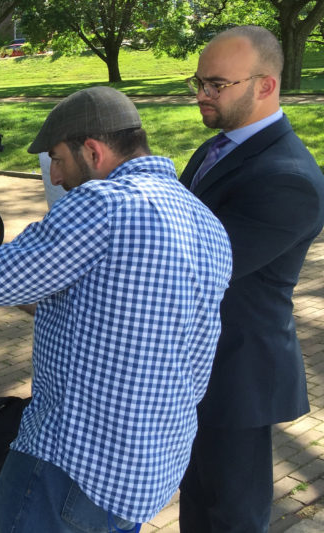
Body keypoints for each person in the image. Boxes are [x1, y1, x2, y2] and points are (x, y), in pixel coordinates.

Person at [0, 86, 233, 532]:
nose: (56, 177)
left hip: (71, 468)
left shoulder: (102, 203)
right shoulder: (204, 219)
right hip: (147, 471)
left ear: (94, 151)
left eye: (57, 160)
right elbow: (109, 311)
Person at [178, 26, 324, 532]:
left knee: (233, 515)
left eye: (216, 84)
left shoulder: (289, 177)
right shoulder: (215, 148)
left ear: (265, 86)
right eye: (198, 82)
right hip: (195, 361)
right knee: (196, 498)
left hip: (238, 371)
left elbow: (197, 268)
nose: (202, 95)